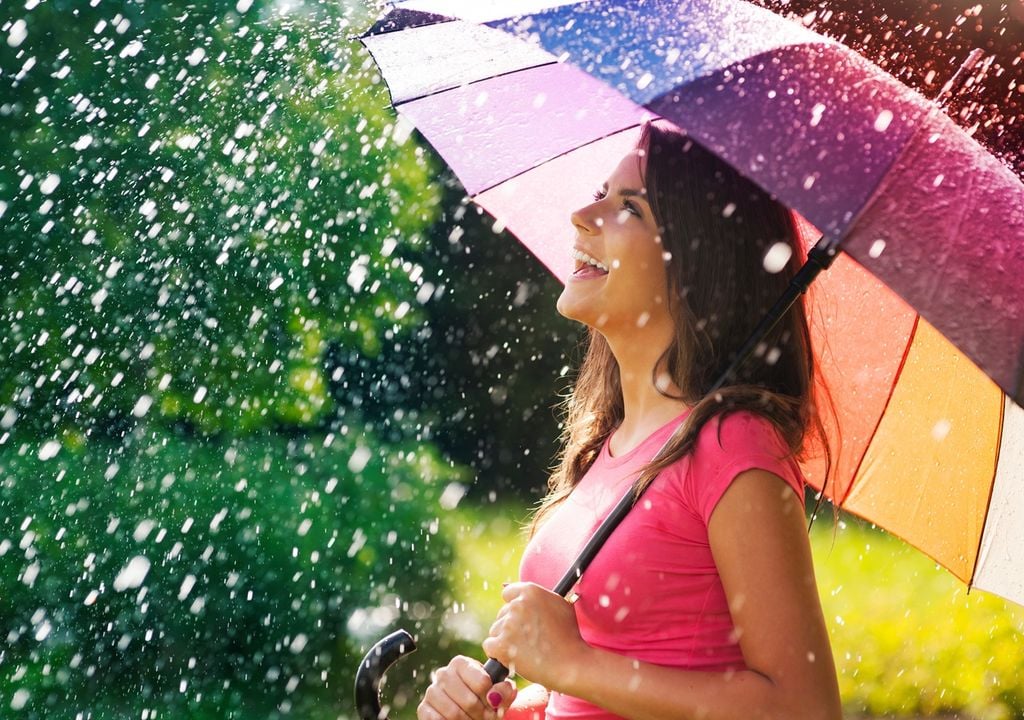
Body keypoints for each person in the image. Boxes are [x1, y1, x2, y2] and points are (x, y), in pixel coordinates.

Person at [417, 122, 843, 720]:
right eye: (599, 192)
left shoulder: (733, 443)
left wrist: (571, 665)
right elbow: (607, 684)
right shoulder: (608, 446)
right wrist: (521, 706)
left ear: (698, 260)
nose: (584, 215)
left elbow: (804, 709)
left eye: (629, 208)